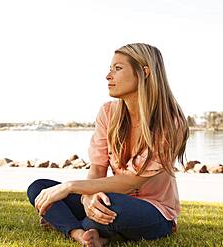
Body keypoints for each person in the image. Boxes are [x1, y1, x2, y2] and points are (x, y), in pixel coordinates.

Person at [27, 43, 189, 246]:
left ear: (144, 72)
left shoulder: (171, 122)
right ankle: (81, 233)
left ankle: (78, 224)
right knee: (40, 189)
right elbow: (97, 169)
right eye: (110, 69)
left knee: (111, 209)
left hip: (153, 211)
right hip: (108, 198)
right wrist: (88, 197)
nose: (108, 76)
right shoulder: (108, 113)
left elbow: (132, 182)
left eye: (118, 68)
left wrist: (72, 187)